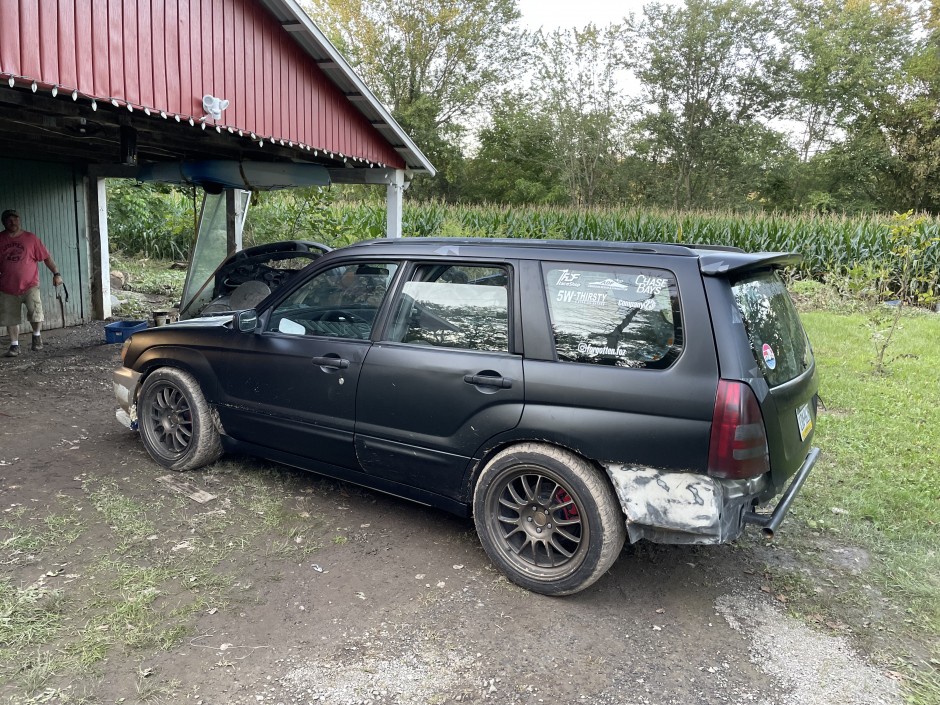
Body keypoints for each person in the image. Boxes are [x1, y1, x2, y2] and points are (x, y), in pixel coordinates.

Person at [0, 209, 63, 356]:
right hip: (7, 287)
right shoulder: (1, 239)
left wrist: (57, 274)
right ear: (4, 222)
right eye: (8, 220)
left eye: (15, 219)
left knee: (35, 312)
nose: (12, 222)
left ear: (19, 220)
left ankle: (36, 336)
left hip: (30, 285)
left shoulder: (30, 238)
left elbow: (46, 257)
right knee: (10, 317)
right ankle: (14, 346)